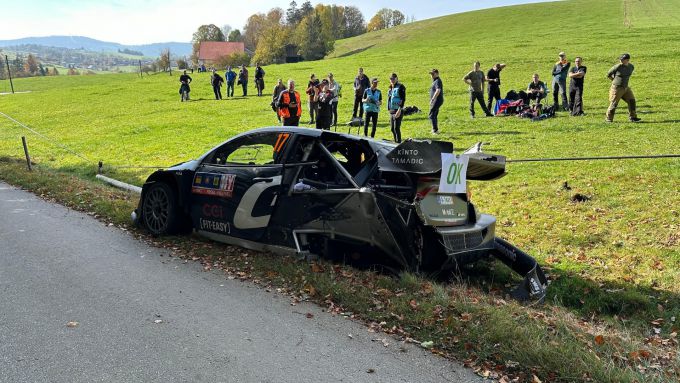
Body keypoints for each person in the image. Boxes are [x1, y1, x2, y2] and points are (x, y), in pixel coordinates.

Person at [606, 53, 641, 122]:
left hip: (625, 87)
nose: (621, 61)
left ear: (627, 60)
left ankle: (633, 117)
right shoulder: (617, 67)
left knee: (632, 101)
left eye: (622, 60)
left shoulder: (631, 67)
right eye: (620, 59)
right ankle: (608, 119)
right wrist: (614, 81)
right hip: (617, 88)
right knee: (614, 103)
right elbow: (608, 74)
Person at [387, 73, 406, 143]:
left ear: (397, 78)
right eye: (391, 79)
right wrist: (389, 109)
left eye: (393, 78)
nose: (392, 80)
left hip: (398, 110)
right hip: (392, 111)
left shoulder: (401, 87)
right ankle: (395, 141)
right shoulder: (390, 88)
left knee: (396, 128)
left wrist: (399, 110)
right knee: (392, 129)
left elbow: (403, 99)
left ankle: (399, 143)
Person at [428, 69, 444, 134]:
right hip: (437, 100)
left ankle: (435, 130)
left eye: (433, 74)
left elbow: (438, 90)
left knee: (431, 115)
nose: (432, 75)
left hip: (437, 100)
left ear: (437, 74)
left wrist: (433, 99)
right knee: (434, 114)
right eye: (431, 74)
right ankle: (435, 129)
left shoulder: (437, 81)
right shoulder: (435, 81)